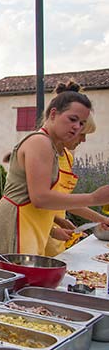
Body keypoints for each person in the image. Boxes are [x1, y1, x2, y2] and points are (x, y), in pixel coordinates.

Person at [0, 82, 109, 266]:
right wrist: (93, 198)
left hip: (32, 226)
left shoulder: (52, 147)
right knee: (9, 287)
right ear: (53, 114)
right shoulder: (40, 142)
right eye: (72, 119)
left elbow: (48, 198)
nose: (77, 128)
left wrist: (55, 224)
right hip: (15, 225)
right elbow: (40, 198)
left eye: (81, 123)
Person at [45, 101, 109, 256]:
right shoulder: (43, 152)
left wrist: (102, 219)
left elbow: (66, 201)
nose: (83, 140)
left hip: (56, 231)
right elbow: (37, 199)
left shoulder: (67, 157)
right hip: (40, 231)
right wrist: (94, 198)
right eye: (82, 134)